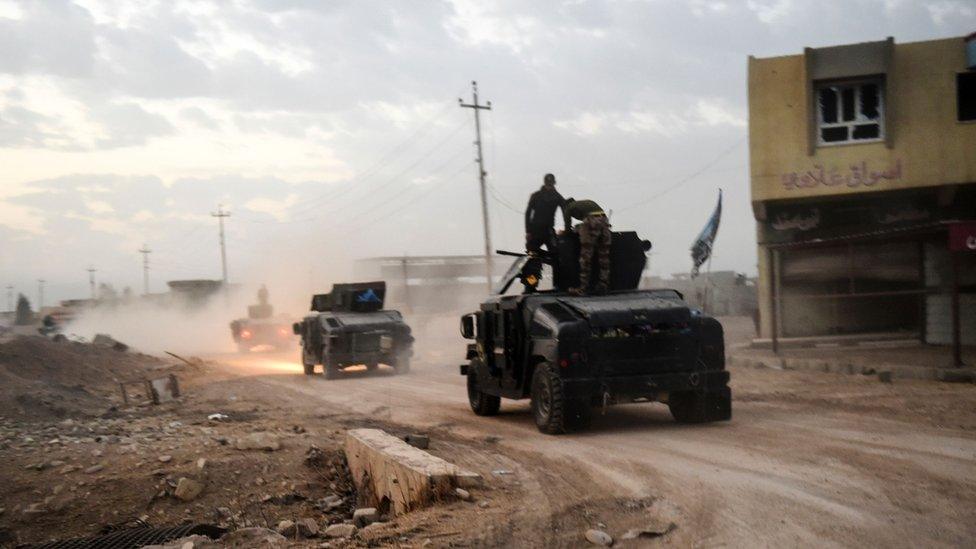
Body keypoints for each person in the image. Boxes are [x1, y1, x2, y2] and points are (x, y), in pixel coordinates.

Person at [565, 198, 611, 294]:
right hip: (604, 220)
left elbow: (567, 229)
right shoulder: (587, 202)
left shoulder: (568, 207)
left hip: (591, 220)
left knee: (585, 257)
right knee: (604, 257)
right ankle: (603, 284)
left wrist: (567, 232)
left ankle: (583, 288)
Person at [524, 173, 568, 255]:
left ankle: (550, 258)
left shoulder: (558, 197)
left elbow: (565, 212)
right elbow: (528, 213)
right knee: (531, 250)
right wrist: (528, 231)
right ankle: (541, 258)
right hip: (535, 230)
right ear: (545, 183)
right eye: (548, 184)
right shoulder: (536, 195)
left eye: (550, 184)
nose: (549, 187)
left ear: (554, 183)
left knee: (556, 253)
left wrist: (566, 229)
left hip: (549, 230)